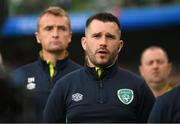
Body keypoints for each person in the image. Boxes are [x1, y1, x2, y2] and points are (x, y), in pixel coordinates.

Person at [44, 12, 155, 123]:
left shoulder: (138, 86)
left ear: (119, 46)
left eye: (110, 37)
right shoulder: (64, 86)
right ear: (84, 43)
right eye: (97, 36)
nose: (103, 42)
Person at [10, 6, 81, 122]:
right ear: (38, 37)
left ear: (70, 36)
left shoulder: (84, 76)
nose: (55, 34)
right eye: (49, 28)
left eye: (62, 28)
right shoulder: (19, 76)